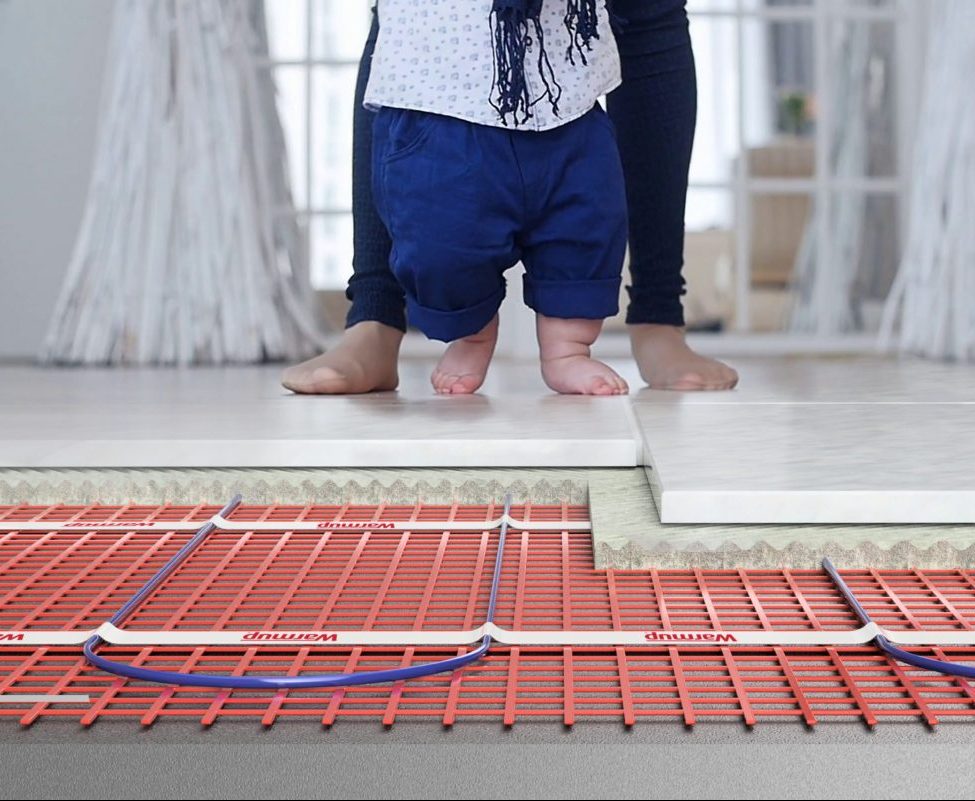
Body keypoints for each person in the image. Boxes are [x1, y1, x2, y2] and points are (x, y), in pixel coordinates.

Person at [283, 0, 739, 395]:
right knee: (408, 16)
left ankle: (657, 317)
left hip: (570, 112)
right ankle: (375, 317)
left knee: (647, 10)